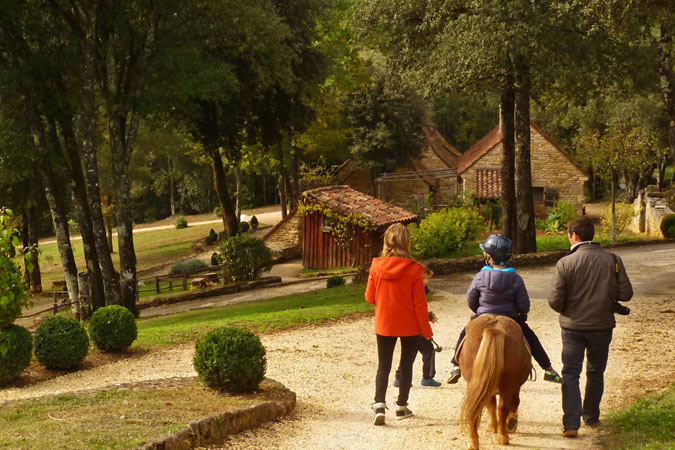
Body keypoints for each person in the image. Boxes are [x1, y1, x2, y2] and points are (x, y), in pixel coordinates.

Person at [549, 216, 633, 438]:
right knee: (595, 371)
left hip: (572, 328)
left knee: (570, 373)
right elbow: (626, 294)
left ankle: (571, 424)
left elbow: (555, 302)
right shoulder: (612, 259)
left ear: (574, 236)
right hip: (602, 326)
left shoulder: (565, 263)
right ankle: (592, 417)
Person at [447, 234, 562, 385]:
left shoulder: (480, 276)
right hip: (511, 318)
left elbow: (471, 300)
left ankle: (455, 365)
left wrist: (480, 311)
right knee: (531, 338)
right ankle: (548, 369)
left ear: (491, 258)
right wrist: (519, 313)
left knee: (465, 333)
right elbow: (524, 306)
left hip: (484, 315)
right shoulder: (516, 279)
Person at [365, 223, 433, 426]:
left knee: (383, 364)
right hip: (409, 325)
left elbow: (369, 297)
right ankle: (401, 406)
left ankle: (379, 404)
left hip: (385, 323)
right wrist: (427, 331)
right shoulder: (414, 270)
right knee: (406, 365)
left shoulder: (376, 266)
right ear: (407, 243)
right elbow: (419, 305)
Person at [393, 266, 442, 388]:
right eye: (424, 278)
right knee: (429, 351)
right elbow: (416, 310)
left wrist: (428, 315)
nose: (426, 281)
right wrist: (427, 318)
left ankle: (399, 378)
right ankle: (427, 377)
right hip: (417, 329)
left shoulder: (414, 290)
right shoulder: (414, 291)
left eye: (427, 279)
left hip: (410, 328)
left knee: (409, 353)